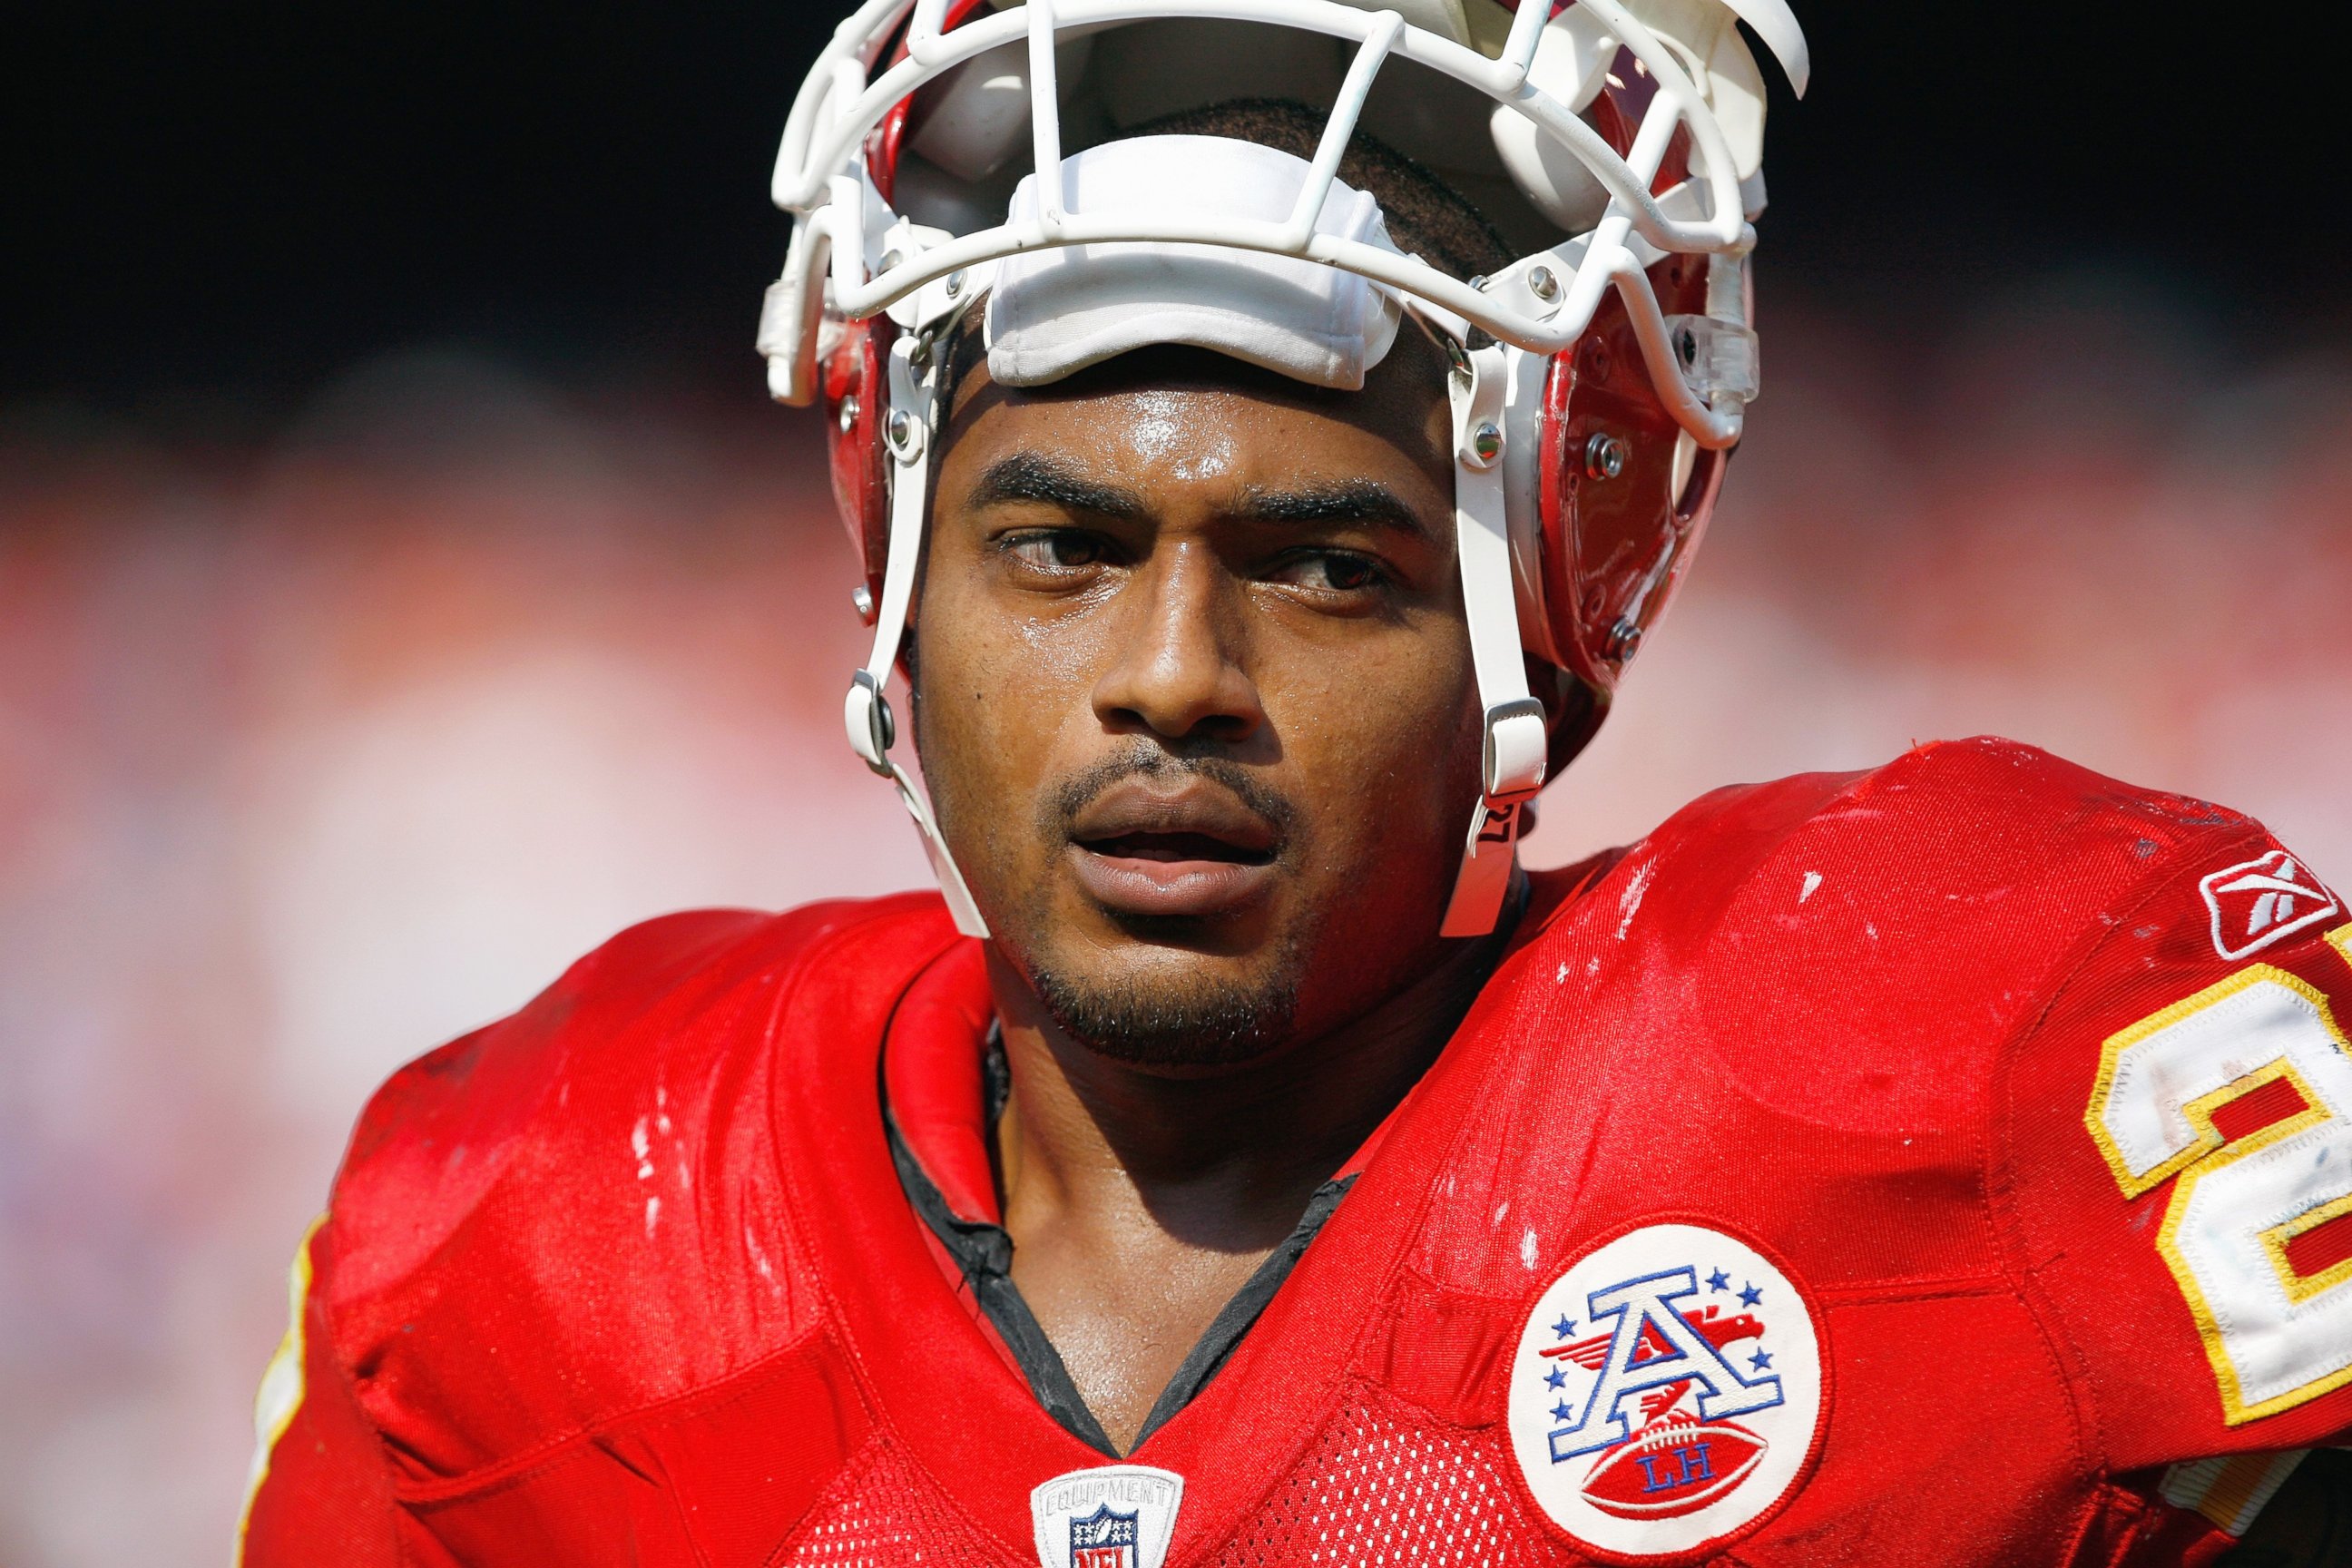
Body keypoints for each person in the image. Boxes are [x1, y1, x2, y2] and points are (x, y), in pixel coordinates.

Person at [238, 1, 2352, 1563]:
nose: (1173, 680)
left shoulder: (1941, 1063)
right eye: (1059, 549)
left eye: (1325, 570)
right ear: (896, 583)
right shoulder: (551, 1234)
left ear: (1534, 614)